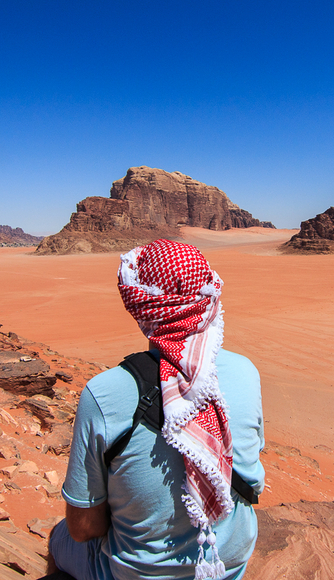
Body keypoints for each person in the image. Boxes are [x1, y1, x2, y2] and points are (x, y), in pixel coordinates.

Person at [49, 239, 265, 580]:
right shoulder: (245, 373)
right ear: (206, 297)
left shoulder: (103, 394)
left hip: (138, 574)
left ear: (140, 306)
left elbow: (84, 527)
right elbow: (252, 475)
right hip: (230, 564)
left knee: (59, 538)